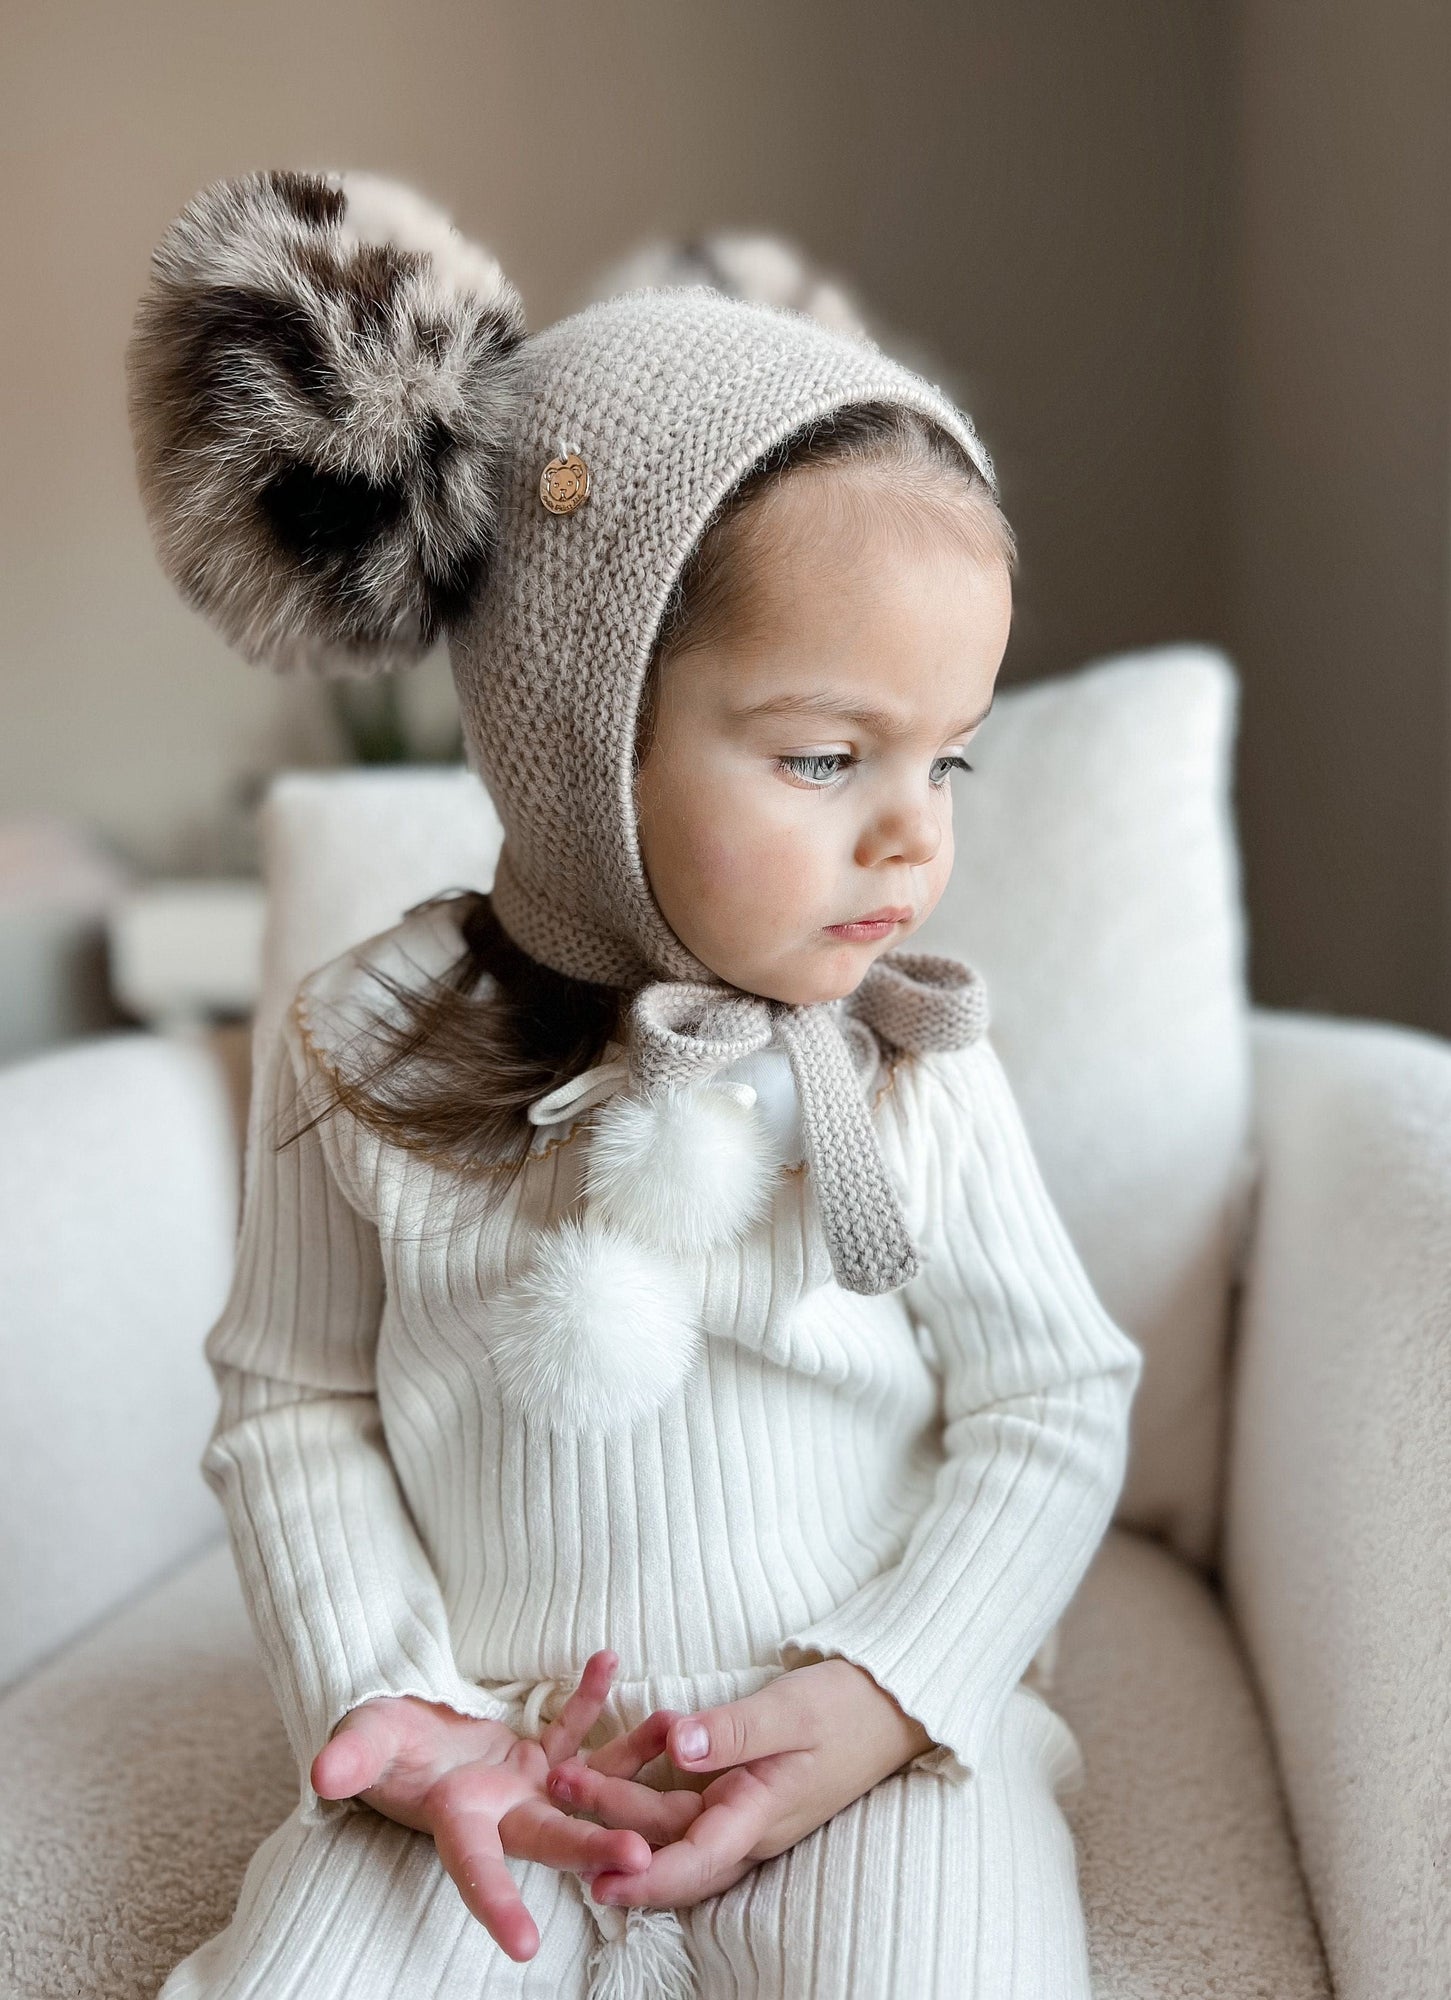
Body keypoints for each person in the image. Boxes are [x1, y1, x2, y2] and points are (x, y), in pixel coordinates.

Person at [127, 168, 1144, 2000]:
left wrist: (893, 1686)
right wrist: (394, 1705)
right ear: (583, 731)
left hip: (841, 1737)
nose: (915, 836)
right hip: (494, 1741)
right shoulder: (355, 1046)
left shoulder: (906, 1063)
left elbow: (1053, 1397)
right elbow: (292, 1405)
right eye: (830, 756)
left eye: (956, 764)